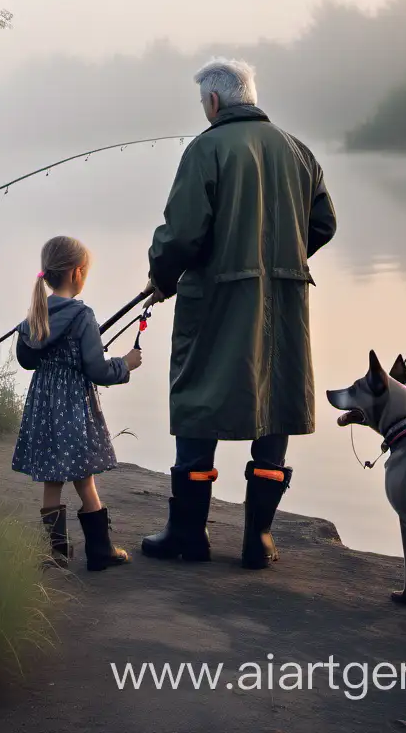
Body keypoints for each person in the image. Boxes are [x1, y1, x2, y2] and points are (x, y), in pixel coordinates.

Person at [140, 58, 337, 569]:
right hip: (286, 303)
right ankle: (260, 541)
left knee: (199, 398)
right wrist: (283, 264)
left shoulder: (205, 149)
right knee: (274, 401)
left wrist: (162, 279)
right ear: (250, 95)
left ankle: (188, 535)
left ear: (213, 102)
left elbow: (181, 235)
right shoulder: (299, 151)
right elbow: (324, 224)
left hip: (216, 302)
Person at [11, 235, 142, 571]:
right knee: (84, 477)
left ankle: (55, 554)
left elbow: (26, 360)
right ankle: (100, 550)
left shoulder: (34, 316)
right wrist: (125, 364)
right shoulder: (82, 315)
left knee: (52, 481)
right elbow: (96, 368)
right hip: (72, 408)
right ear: (76, 272)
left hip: (43, 408)